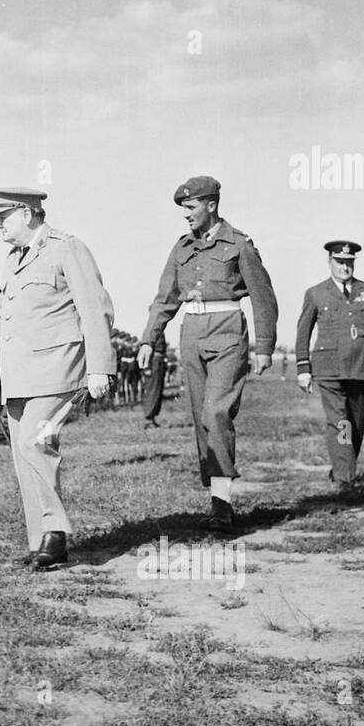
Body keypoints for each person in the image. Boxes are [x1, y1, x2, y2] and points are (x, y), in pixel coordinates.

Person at [0, 187, 115, 570]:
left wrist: (100, 366)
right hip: (19, 374)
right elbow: (4, 317)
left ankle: (56, 532)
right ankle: (42, 544)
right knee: (24, 454)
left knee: (36, 442)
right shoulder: (12, 259)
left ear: (28, 213)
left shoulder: (67, 247)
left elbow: (95, 307)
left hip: (58, 369)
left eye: (4, 216)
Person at [137, 175, 277, 533]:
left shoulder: (239, 243)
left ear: (211, 205)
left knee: (216, 412)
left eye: (190, 207)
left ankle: (222, 506)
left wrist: (264, 346)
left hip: (228, 329)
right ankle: (216, 497)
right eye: (183, 208)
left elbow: (263, 297)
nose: (185, 214)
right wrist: (147, 340)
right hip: (191, 334)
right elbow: (164, 299)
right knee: (202, 416)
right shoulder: (182, 248)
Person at [294, 241, 364, 487]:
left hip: (361, 366)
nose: (345, 267)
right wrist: (303, 369)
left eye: (349, 262)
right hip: (328, 367)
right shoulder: (316, 293)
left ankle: (342, 466)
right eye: (339, 262)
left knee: (356, 424)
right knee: (339, 421)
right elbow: (302, 332)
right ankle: (345, 478)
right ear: (329, 262)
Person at [141, 331, 168, 428]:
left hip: (159, 361)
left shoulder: (159, 329)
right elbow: (146, 349)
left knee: (158, 390)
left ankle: (152, 417)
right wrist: (147, 368)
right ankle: (148, 418)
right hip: (153, 362)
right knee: (152, 390)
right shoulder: (151, 330)